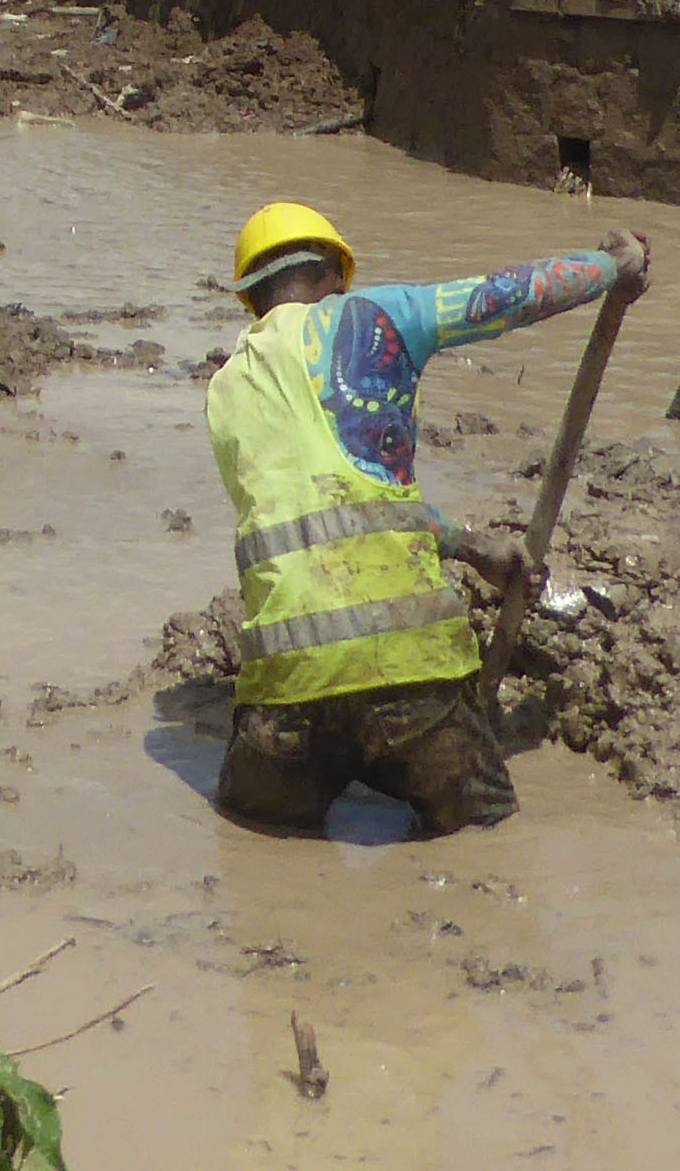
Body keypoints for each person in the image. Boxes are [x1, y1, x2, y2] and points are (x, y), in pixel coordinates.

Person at [203, 201, 645, 838]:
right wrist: (612, 266)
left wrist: (470, 548)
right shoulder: (378, 318)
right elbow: (504, 298)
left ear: (253, 298)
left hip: (287, 692)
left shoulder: (225, 389)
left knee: (255, 844)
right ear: (335, 273)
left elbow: (332, 508)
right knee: (482, 840)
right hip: (413, 675)